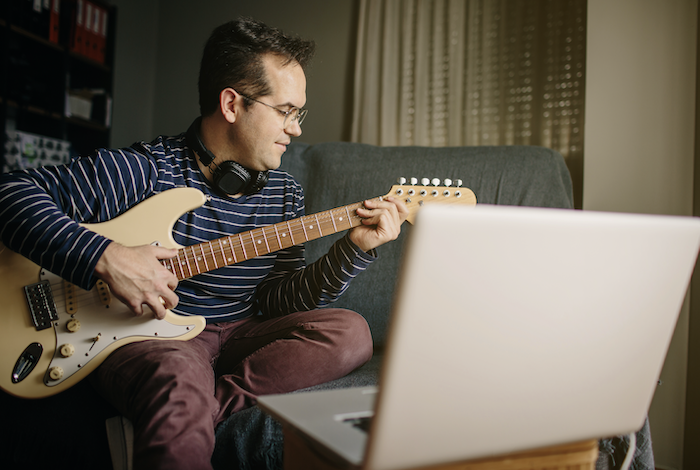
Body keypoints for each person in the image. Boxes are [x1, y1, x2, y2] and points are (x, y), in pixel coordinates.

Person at [0, 17, 407, 469]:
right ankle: (181, 402)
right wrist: (107, 257)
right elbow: (10, 193)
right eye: (285, 110)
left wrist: (354, 248)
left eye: (299, 113)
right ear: (232, 104)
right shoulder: (146, 169)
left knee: (350, 333)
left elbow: (277, 300)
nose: (295, 129)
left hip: (238, 333)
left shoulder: (284, 194)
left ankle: (201, 409)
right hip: (152, 333)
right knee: (178, 379)